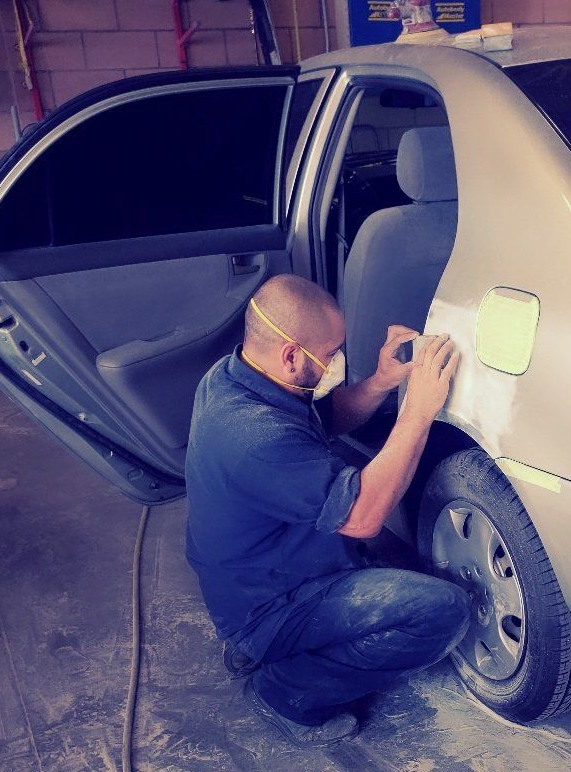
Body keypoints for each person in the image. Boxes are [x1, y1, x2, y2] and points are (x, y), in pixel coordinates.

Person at [184, 274, 471, 747]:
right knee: (441, 612)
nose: (338, 360)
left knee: (389, 570)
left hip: (253, 577)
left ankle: (262, 648)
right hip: (268, 602)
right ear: (293, 356)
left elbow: (324, 421)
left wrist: (381, 382)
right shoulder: (252, 436)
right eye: (332, 353)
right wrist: (418, 412)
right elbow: (362, 518)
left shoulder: (237, 378)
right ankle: (284, 692)